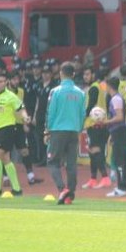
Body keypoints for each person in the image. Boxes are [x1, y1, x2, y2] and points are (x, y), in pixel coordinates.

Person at [44, 61, 86, 205]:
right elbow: (82, 114)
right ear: (73, 74)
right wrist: (79, 129)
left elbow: (51, 112)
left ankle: (62, 189)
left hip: (58, 130)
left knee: (52, 162)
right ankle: (70, 195)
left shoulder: (55, 91)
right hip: (74, 130)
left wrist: (47, 131)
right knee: (71, 164)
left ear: (61, 74)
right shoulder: (80, 93)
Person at [0, 72, 30, 196]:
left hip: (8, 129)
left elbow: (21, 108)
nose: (3, 83)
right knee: (6, 159)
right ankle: (17, 189)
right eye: (0, 81)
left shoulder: (10, 96)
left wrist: (25, 117)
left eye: (4, 81)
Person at [82, 66, 111, 189]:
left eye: (88, 74)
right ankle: (93, 179)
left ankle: (105, 177)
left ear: (93, 75)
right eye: (84, 74)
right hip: (100, 123)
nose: (85, 77)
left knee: (95, 150)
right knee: (92, 152)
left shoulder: (94, 88)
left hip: (95, 124)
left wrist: (82, 116)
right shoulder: (99, 88)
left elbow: (90, 105)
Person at [104, 77, 126, 198]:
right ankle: (121, 186)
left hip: (119, 130)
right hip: (117, 131)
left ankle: (122, 187)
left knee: (120, 160)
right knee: (120, 159)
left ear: (109, 85)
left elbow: (119, 117)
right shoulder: (116, 98)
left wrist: (106, 122)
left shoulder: (116, 99)